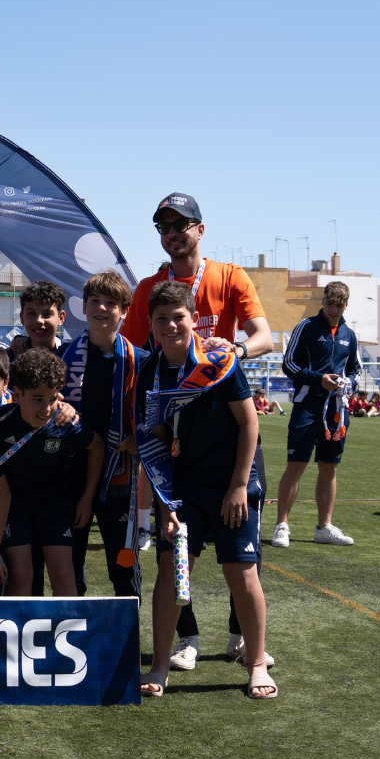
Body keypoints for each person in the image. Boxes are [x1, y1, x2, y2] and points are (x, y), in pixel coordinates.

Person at [122, 193, 273, 669]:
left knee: (242, 556)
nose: (172, 233)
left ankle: (242, 638)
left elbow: (264, 336)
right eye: (163, 227)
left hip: (228, 433)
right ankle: (185, 639)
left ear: (199, 230)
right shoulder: (149, 288)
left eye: (180, 224)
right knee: (174, 555)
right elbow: (131, 353)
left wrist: (232, 353)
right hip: (178, 448)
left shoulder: (230, 275)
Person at [0, 348, 103, 597]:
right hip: (14, 505)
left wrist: (87, 498)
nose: (46, 408)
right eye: (37, 399)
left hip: (54, 503)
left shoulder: (64, 422)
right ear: (17, 394)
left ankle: (66, 624)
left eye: (52, 398)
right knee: (21, 577)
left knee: (63, 575)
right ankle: (20, 625)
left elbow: (97, 447)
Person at [59, 269, 147, 599]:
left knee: (124, 567)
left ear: (124, 311)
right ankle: (72, 627)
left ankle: (129, 628)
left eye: (111, 303)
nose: (102, 308)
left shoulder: (141, 361)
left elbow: (157, 416)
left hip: (119, 476)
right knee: (70, 567)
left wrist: (142, 439)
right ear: (83, 307)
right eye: (95, 301)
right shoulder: (63, 357)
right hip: (71, 475)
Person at [272, 282, 360, 549]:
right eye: (329, 303)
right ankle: (281, 525)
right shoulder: (306, 327)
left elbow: (355, 369)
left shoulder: (349, 335)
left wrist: (349, 383)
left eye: (339, 305)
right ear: (323, 301)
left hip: (337, 410)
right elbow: (288, 364)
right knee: (296, 464)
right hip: (307, 406)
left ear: (346, 305)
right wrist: (318, 379)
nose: (333, 310)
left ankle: (324, 527)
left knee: (329, 466)